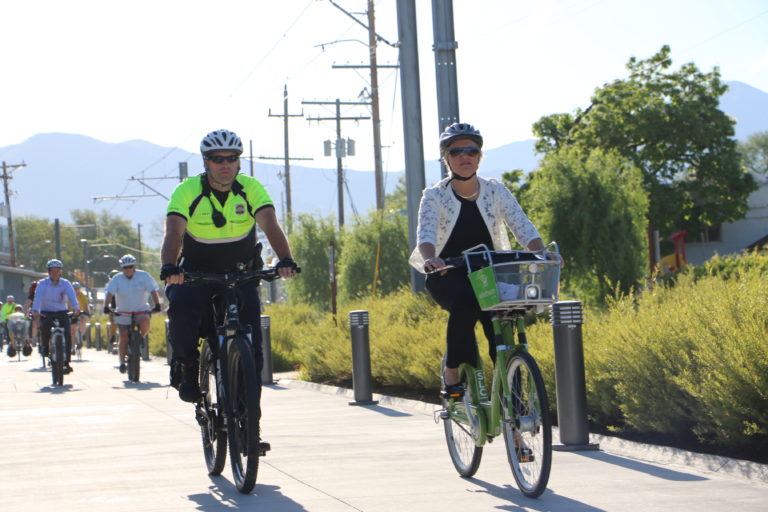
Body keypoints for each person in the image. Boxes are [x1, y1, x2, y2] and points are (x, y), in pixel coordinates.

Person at [409, 122, 561, 399]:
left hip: (490, 272)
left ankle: (515, 406)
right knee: (466, 304)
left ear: (479, 156)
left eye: (471, 150)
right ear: (447, 158)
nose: (465, 156)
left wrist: (541, 252)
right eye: (457, 152)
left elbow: (522, 227)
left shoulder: (496, 190)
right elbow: (426, 234)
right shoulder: (434, 196)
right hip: (448, 273)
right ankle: (452, 369)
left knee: (500, 331)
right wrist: (432, 259)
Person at [160, 129, 298, 403]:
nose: (225, 164)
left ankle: (250, 426)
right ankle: (187, 367)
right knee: (182, 311)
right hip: (196, 272)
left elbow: (270, 223)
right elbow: (174, 231)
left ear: (238, 161)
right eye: (216, 158)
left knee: (254, 345)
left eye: (231, 158)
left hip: (241, 273)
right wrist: (170, 266)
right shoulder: (187, 190)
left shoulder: (251, 188)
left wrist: (285, 259)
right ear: (206, 161)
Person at [103, 255, 162, 374]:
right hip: (123, 312)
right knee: (123, 336)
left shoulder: (144, 276)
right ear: (122, 268)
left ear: (134, 267)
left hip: (140, 310)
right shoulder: (117, 279)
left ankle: (141, 337)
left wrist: (157, 304)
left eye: (130, 267)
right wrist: (106, 306)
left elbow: (152, 291)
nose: (127, 269)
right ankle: (122, 362)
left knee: (145, 321)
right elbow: (109, 293)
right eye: (125, 267)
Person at [31, 259, 80, 373]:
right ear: (48, 272)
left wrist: (76, 308)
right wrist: (35, 311)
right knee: (45, 329)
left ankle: (66, 361)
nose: (55, 273)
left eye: (57, 271)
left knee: (67, 334)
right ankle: (45, 349)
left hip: (62, 312)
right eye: (52, 271)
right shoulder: (42, 284)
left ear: (61, 272)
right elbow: (37, 298)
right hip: (46, 311)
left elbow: (72, 297)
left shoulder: (66, 284)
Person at [70, 283, 91, 349]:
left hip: (81, 312)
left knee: (83, 319)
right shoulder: (70, 295)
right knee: (72, 330)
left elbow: (85, 305)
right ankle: (72, 347)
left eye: (78, 288)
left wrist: (88, 312)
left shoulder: (82, 296)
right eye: (75, 288)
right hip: (72, 313)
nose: (76, 290)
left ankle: (82, 334)